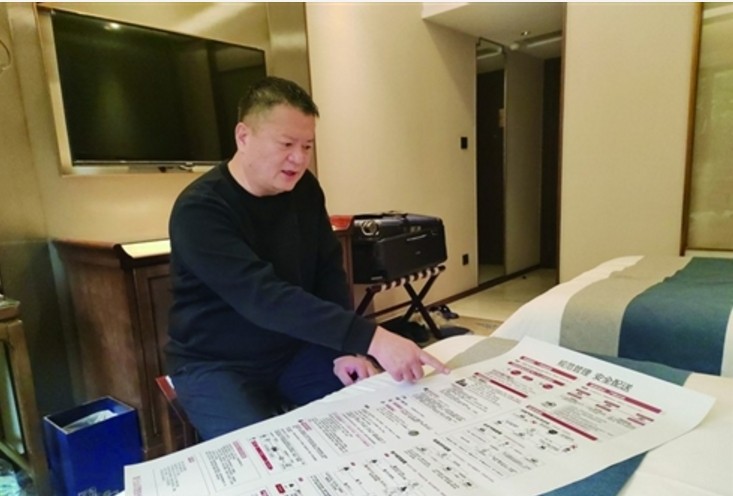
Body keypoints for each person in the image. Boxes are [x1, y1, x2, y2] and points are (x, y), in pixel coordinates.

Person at [166, 76, 449, 440]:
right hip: (216, 363)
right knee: (261, 453)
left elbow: (328, 270)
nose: (299, 159)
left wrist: (348, 349)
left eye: (307, 146)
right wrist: (373, 339)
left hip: (292, 348)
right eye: (286, 144)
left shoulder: (304, 189)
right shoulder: (200, 209)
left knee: (371, 413)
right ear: (243, 136)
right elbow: (263, 297)